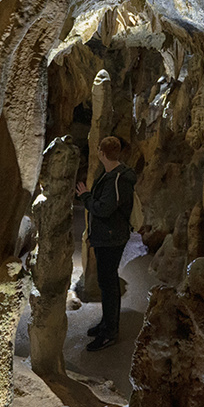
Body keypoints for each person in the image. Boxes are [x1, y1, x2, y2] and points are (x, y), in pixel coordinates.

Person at [75, 135, 136, 351]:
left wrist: (86, 197)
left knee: (109, 285)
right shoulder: (112, 174)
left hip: (111, 239)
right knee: (106, 283)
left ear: (102, 153)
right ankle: (106, 323)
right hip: (107, 237)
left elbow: (103, 208)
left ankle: (110, 332)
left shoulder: (117, 179)